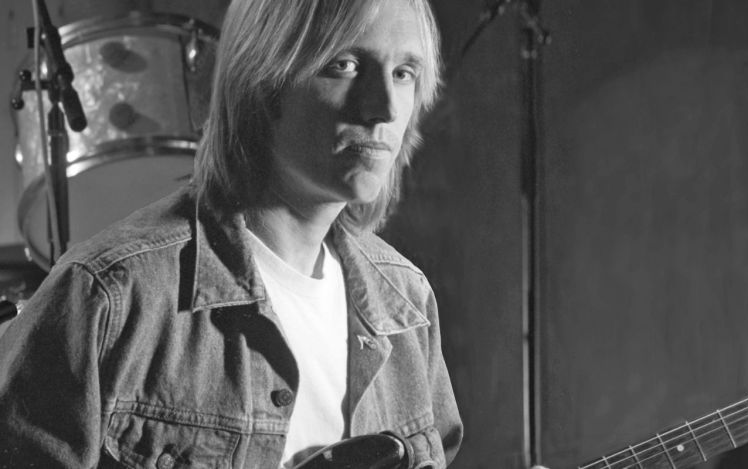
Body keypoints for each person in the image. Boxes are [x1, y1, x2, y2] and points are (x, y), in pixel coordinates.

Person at [0, 0, 463, 467]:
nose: (382, 108)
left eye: (404, 72)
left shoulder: (408, 302)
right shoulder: (107, 297)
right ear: (263, 84)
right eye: (343, 65)